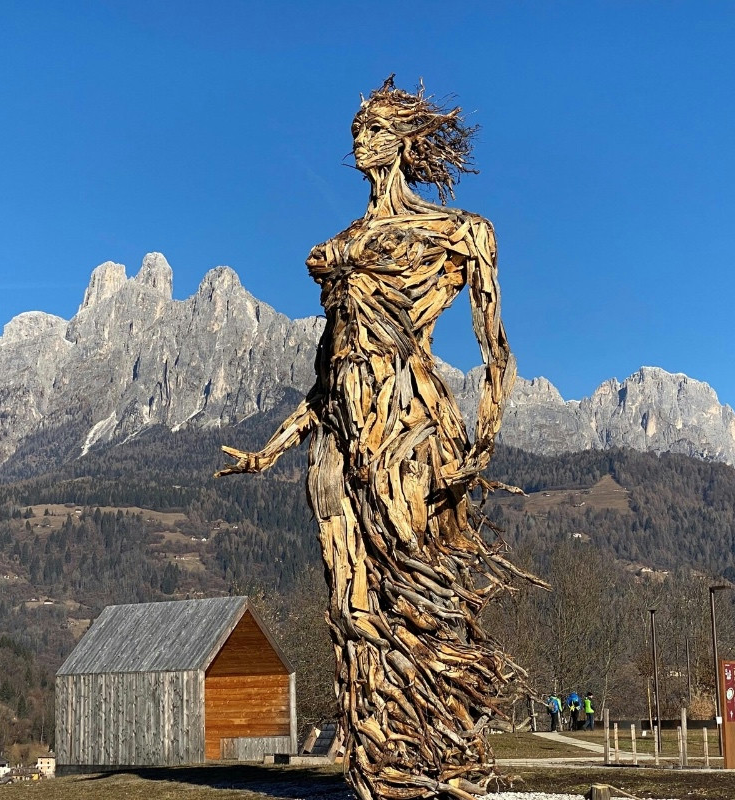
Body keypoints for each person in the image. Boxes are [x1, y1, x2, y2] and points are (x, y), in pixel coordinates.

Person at [217, 76, 541, 799]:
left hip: (412, 431)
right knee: (353, 604)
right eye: (355, 130)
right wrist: (270, 448)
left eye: (371, 129)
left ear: (405, 141)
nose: (357, 141)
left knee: (424, 589)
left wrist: (481, 444)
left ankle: (446, 755)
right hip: (339, 444)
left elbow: (496, 352)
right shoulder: (335, 251)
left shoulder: (457, 232)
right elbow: (328, 373)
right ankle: (384, 764)